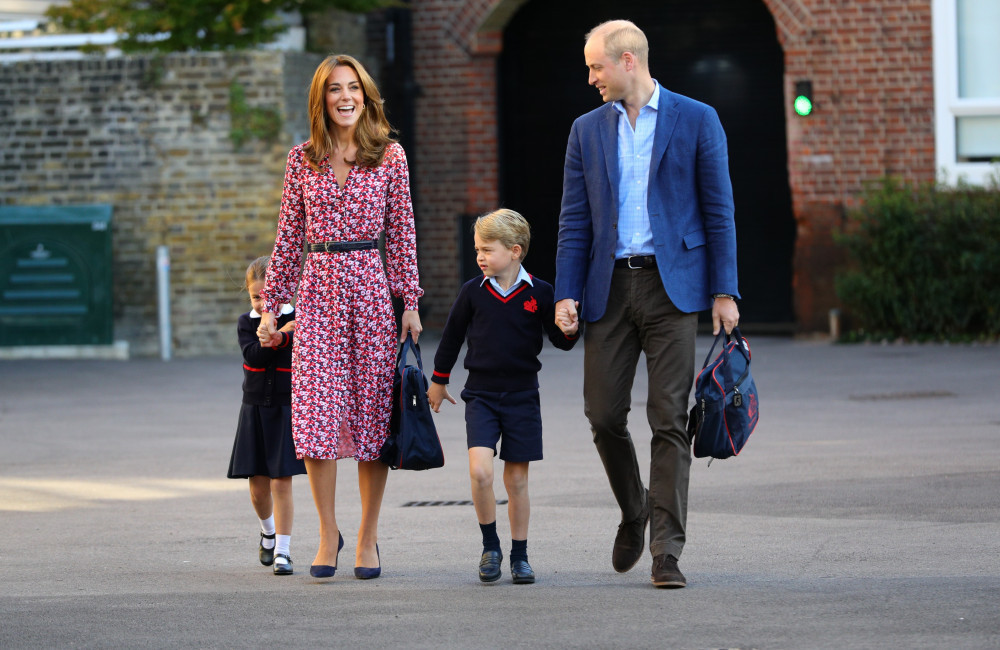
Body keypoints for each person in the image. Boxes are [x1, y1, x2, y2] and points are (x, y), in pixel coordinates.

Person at [554, 20, 741, 589]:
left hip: (673, 287)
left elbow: (719, 211)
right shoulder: (585, 131)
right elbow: (573, 220)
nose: (590, 78)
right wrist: (565, 291)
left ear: (628, 60)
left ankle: (666, 549)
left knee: (669, 417)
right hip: (607, 289)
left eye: (596, 67)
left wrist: (724, 290)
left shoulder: (698, 118)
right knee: (604, 415)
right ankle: (634, 509)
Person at [257, 54, 423, 581]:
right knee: (317, 419)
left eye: (354, 88)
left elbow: (401, 234)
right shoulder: (300, 159)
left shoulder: (389, 156)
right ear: (321, 99)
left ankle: (368, 537)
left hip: (370, 294)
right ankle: (328, 533)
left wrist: (410, 301)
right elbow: (287, 240)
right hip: (318, 294)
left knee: (373, 420)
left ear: (366, 96)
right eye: (335, 89)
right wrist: (269, 307)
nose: (345, 97)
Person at [428, 209, 579, 584]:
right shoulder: (472, 292)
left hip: (523, 396)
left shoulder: (541, 293)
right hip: (480, 394)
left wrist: (571, 327)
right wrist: (438, 380)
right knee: (480, 472)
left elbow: (560, 341)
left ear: (515, 251)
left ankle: (520, 555)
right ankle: (490, 547)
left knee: (516, 481)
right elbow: (450, 339)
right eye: (477, 249)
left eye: (487, 250)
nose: (479, 256)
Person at [227, 255, 306, 576]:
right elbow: (253, 356)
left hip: (286, 409)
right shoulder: (247, 323)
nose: (262, 303)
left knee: (282, 482)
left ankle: (284, 552)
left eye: (268, 296)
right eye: (255, 296)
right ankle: (268, 533)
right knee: (258, 486)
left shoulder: (299, 318)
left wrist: (286, 332)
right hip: (254, 408)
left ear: (285, 292)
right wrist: (276, 334)